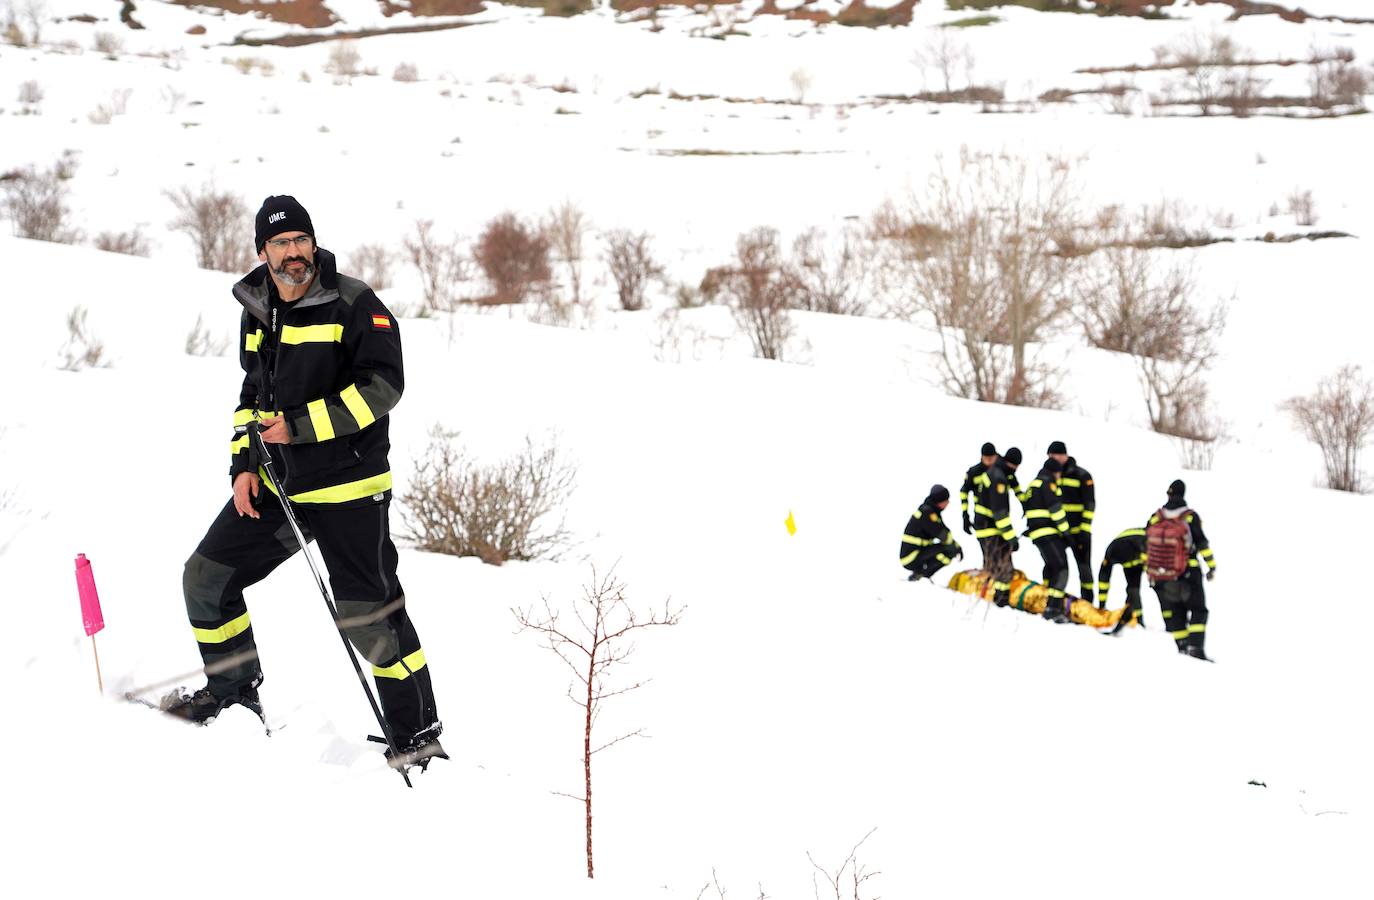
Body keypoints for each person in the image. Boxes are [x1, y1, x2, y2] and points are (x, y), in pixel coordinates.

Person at [168, 196, 444, 766]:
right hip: (277, 487)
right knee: (207, 579)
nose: (294, 253)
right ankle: (233, 701)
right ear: (262, 250)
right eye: (281, 243)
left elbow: (383, 387)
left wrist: (299, 429)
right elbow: (252, 397)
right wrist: (244, 466)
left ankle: (417, 740)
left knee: (370, 617)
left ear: (313, 243)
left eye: (302, 240)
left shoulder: (353, 303)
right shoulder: (257, 306)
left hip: (348, 490)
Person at [1146, 480, 1217, 659]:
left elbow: (1145, 541)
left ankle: (1182, 647)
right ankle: (1196, 648)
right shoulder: (1190, 517)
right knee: (1199, 610)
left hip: (1165, 574)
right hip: (1189, 572)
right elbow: (1201, 543)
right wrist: (1211, 565)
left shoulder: (1156, 516)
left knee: (1176, 611)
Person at [1023, 456, 1071, 623]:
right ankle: (1053, 608)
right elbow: (1055, 509)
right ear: (1055, 472)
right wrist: (1066, 532)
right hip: (1048, 532)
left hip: (1036, 533)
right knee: (1061, 568)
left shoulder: (1033, 484)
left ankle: (1045, 600)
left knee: (1051, 567)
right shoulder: (1048, 483)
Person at [1047, 442, 1096, 601]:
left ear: (1064, 456)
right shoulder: (1050, 475)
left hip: (1078, 532)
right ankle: (1049, 598)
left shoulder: (1082, 475)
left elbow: (1090, 505)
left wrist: (1084, 530)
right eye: (1049, 457)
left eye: (1054, 456)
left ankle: (1088, 602)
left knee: (1084, 568)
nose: (1052, 459)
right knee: (1054, 567)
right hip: (1059, 532)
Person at [970, 451, 1019, 607]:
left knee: (995, 567)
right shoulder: (998, 477)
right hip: (990, 529)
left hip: (986, 528)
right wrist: (1011, 537)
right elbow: (1000, 513)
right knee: (1002, 569)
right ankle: (1000, 603)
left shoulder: (995, 472)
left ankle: (997, 599)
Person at [900, 485, 963, 581]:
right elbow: (943, 535)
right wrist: (956, 548)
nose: (948, 503)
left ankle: (921, 575)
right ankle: (922, 575)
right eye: (946, 500)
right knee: (948, 550)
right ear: (940, 501)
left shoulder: (930, 511)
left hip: (915, 554)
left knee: (949, 548)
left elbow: (944, 532)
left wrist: (957, 546)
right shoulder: (928, 513)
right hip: (911, 557)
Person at [1098, 528, 1147, 630]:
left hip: (1142, 549)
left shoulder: (1146, 546)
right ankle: (1136, 619)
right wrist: (1101, 606)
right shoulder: (1111, 552)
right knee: (1133, 591)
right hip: (1132, 551)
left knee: (1134, 590)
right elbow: (1103, 581)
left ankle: (1138, 619)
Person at [959, 443, 998, 541]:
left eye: (991, 458)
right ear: (981, 457)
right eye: (986, 458)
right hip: (982, 518)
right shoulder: (974, 472)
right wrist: (965, 515)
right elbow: (964, 492)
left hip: (999, 515)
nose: (989, 461)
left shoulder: (1000, 471)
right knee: (989, 553)